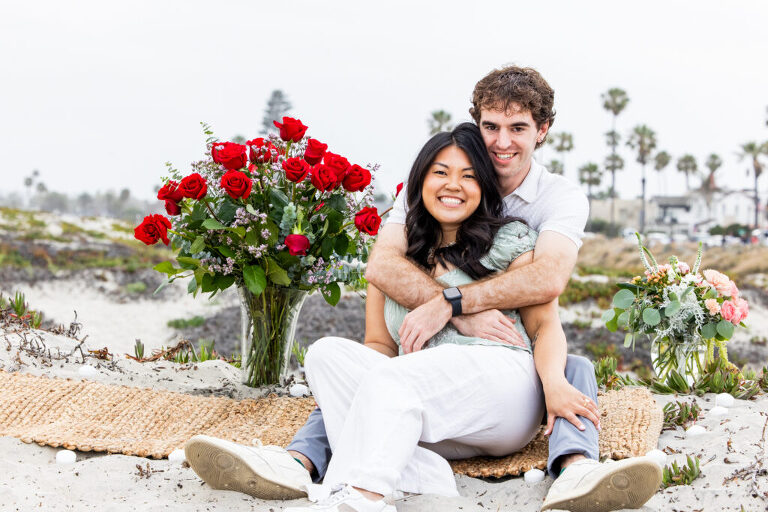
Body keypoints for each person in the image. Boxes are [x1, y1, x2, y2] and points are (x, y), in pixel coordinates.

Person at [185, 67, 662, 512]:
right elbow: (382, 267)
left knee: (567, 366)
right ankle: (358, 465)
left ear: (542, 130)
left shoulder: (537, 214)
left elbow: (547, 283)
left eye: (517, 128)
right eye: (491, 127)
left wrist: (454, 303)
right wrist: (454, 310)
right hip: (432, 391)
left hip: (503, 375)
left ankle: (570, 467)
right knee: (329, 355)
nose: (501, 142)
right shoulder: (413, 214)